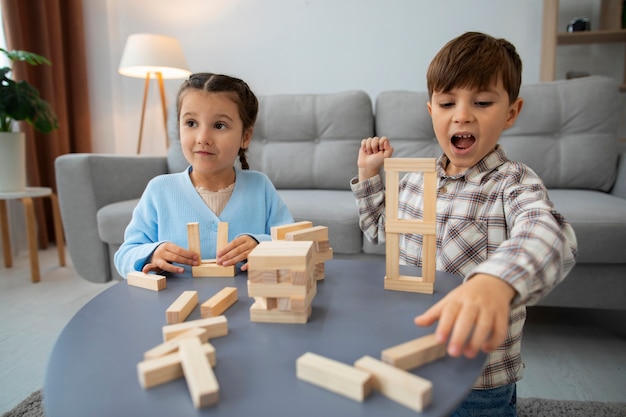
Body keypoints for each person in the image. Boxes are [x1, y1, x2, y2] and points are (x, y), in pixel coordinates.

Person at [351, 32, 577, 416]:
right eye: (447, 102)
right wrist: (370, 175)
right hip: (412, 353)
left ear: (511, 112)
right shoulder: (412, 180)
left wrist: (497, 281)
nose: (462, 114)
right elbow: (377, 231)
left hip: (479, 376)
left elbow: (550, 233)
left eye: (483, 101)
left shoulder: (513, 182)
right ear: (431, 111)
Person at [115, 73, 294, 278]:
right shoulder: (159, 190)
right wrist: (151, 255)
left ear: (245, 137)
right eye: (191, 123)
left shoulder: (260, 187)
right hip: (175, 305)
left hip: (248, 303)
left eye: (219, 126)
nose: (202, 138)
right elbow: (125, 255)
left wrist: (262, 245)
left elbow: (292, 243)